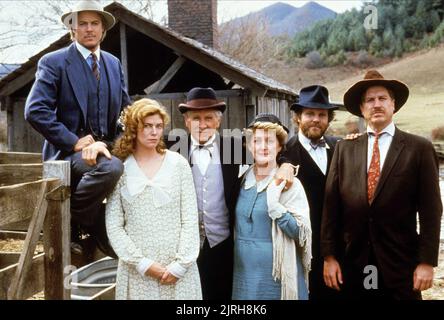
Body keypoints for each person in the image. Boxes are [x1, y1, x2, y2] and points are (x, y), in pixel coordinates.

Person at [321, 70, 443, 300]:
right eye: (370, 100)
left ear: (393, 104)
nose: (376, 104)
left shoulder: (418, 149)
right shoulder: (344, 149)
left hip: (400, 265)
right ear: (361, 107)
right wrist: (329, 257)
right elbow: (331, 207)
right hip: (353, 264)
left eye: (382, 98)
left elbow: (431, 211)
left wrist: (427, 262)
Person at [24, 0, 131, 256]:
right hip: (68, 156)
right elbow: (35, 111)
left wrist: (134, 139)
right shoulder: (54, 62)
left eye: (95, 23)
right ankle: (77, 223)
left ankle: (79, 219)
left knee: (132, 165)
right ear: (72, 30)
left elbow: (127, 113)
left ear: (103, 29)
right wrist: (74, 141)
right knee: (112, 167)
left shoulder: (113, 64)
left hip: (106, 149)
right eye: (82, 24)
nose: (89, 29)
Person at [172, 87, 295, 300]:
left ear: (218, 121)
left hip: (224, 245)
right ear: (186, 121)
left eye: (209, 118)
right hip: (183, 247)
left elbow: (269, 152)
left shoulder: (234, 147)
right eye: (196, 118)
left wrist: (286, 165)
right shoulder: (172, 149)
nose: (202, 124)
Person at [106, 98, 202, 300]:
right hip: (138, 272)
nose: (154, 132)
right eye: (147, 126)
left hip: (177, 271)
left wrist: (180, 265)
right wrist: (143, 264)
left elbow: (190, 219)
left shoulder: (178, 164)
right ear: (133, 128)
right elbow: (114, 225)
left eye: (158, 126)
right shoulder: (119, 168)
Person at [232, 113, 312, 300]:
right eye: (257, 141)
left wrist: (276, 208)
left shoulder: (290, 183)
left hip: (277, 274)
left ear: (279, 146)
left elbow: (302, 235)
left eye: (269, 141)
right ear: (249, 146)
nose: (262, 146)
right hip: (244, 273)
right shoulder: (240, 180)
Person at [280, 85, 341, 300]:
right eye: (309, 114)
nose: (316, 119)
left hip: (341, 248)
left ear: (329, 118)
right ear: (298, 117)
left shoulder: (340, 147)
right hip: (303, 251)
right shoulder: (284, 153)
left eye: (322, 114)